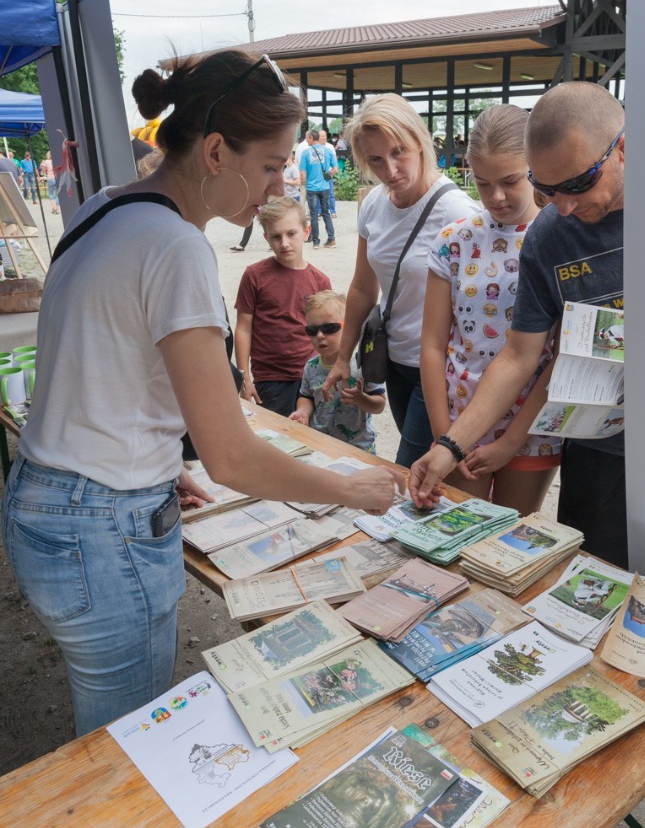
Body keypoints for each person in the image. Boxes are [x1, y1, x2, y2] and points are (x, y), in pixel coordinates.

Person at [2, 49, 399, 738]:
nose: (279, 186)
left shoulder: (107, 206)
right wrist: (353, 490)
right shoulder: (176, 244)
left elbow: (103, 373)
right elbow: (233, 459)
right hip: (101, 528)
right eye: (273, 165)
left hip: (59, 500)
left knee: (110, 732)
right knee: (126, 745)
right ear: (217, 151)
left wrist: (155, 468)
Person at [410, 81, 627, 567]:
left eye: (576, 184)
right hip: (601, 448)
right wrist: (449, 444)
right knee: (601, 572)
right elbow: (521, 354)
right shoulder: (548, 236)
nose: (564, 206)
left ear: (622, 150)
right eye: (547, 190)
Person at [421, 105, 560, 516]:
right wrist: (444, 433)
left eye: (510, 181)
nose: (496, 197)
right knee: (458, 532)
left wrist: (512, 440)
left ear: (533, 167)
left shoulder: (558, 238)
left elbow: (560, 353)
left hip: (530, 427)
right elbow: (431, 344)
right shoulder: (455, 240)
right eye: (482, 183)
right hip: (460, 420)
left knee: (513, 538)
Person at [323, 94, 475, 468]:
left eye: (399, 152)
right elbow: (362, 286)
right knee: (428, 476)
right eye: (375, 159)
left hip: (439, 367)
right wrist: (344, 356)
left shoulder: (457, 211)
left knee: (410, 468)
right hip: (394, 361)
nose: (389, 169)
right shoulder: (373, 203)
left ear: (421, 141)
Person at [234, 195, 331, 416]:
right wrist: (244, 377)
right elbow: (243, 327)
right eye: (276, 236)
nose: (284, 243)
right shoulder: (254, 275)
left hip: (311, 375)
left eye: (291, 234)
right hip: (270, 379)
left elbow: (327, 330)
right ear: (267, 238)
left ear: (306, 232)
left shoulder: (320, 281)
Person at [290, 290, 386, 453]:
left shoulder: (362, 364)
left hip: (358, 447)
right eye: (312, 330)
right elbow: (306, 397)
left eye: (329, 328)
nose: (320, 335)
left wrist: (361, 399)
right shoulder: (311, 366)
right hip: (319, 444)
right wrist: (302, 412)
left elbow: (380, 404)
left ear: (349, 327)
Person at [299, 129, 337, 247]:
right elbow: (335, 170)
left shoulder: (305, 153)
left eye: (307, 137)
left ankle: (316, 242)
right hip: (325, 187)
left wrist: (306, 184)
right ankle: (331, 239)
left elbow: (302, 174)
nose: (306, 140)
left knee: (314, 215)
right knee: (326, 213)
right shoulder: (328, 151)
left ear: (311, 138)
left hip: (311, 187)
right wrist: (326, 175)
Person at [319, 129, 338, 216]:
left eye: (325, 136)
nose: (324, 137)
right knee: (319, 192)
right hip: (318, 174)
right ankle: (320, 211)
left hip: (329, 173)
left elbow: (334, 159)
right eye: (322, 136)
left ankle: (332, 211)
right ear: (318, 137)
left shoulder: (330, 147)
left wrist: (332, 171)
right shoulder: (316, 147)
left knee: (330, 193)